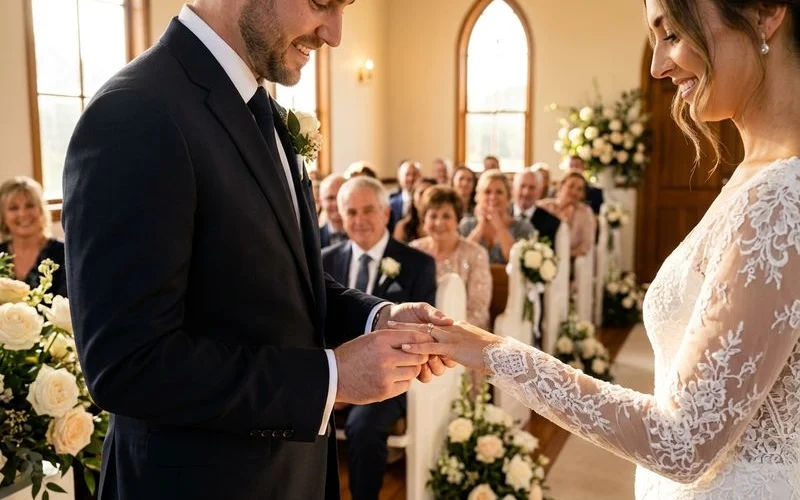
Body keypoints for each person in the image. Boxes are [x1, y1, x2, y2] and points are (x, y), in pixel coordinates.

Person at [397, 1, 800, 498]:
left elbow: (681, 442)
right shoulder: (755, 175)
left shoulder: (783, 196)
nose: (657, 66)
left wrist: (492, 353)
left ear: (764, 12)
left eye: (672, 33)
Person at [61, 2, 452, 499]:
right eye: (321, 2)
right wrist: (331, 378)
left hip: (291, 475)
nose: (334, 35)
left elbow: (289, 282)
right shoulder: (134, 114)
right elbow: (129, 364)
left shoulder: (257, 105)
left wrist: (376, 319)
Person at [321, 177, 436, 500]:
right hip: (334, 370)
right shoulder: (324, 260)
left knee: (364, 425)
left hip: (396, 374)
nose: (360, 220)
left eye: (368, 210)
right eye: (351, 212)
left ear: (386, 213)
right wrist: (337, 377)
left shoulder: (418, 264)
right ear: (341, 218)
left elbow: (421, 336)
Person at [410, 186, 491, 330]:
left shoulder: (475, 254)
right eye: (433, 216)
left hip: (462, 334)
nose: (439, 223)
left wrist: (446, 335)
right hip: (416, 333)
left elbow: (478, 311)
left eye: (446, 216)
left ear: (457, 220)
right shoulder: (413, 250)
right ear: (424, 220)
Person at [0, 177, 67, 297]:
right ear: (3, 216)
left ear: (41, 210)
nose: (23, 214)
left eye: (30, 205)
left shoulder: (63, 253)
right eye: (13, 208)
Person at [459, 170, 534, 264]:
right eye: (487, 192)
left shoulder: (523, 227)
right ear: (478, 197)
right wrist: (480, 227)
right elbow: (461, 259)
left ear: (508, 197)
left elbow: (518, 263)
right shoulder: (466, 225)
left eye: (499, 192)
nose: (493, 197)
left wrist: (499, 225)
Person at [537, 172, 597, 258]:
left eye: (579, 189)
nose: (574, 192)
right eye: (571, 186)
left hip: (568, 260)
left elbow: (585, 246)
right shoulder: (543, 206)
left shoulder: (586, 213)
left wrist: (561, 255)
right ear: (561, 186)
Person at [511, 167, 561, 244]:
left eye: (532, 188)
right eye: (522, 186)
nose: (526, 192)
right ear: (513, 188)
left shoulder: (551, 223)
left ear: (540, 192)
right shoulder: (502, 214)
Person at [392, 177, 436, 243]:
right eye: (421, 193)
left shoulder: (443, 226)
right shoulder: (402, 227)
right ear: (413, 199)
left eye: (429, 194)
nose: (425, 198)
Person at [318, 174, 348, 248]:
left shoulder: (365, 234)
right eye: (330, 198)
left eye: (341, 196)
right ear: (321, 202)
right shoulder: (312, 239)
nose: (336, 203)